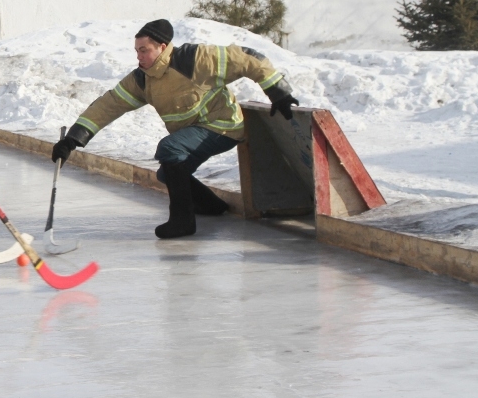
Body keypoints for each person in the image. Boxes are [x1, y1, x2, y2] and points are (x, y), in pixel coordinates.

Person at [51, 19, 298, 240]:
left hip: (222, 126)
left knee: (170, 148)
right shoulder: (142, 79)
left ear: (162, 46)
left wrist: (279, 92)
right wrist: (73, 140)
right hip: (194, 133)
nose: (139, 57)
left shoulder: (195, 59)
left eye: (144, 50)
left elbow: (249, 58)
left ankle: (182, 221)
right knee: (167, 174)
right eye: (137, 51)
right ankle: (212, 206)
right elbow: (108, 105)